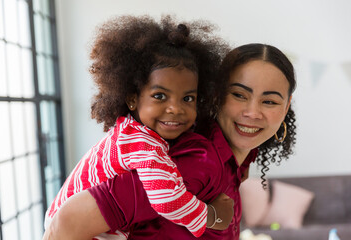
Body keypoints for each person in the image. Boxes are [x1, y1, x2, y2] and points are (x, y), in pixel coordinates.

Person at [43, 43, 297, 240]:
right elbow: (64, 223)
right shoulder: (199, 161)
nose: (252, 112)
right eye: (239, 95)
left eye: (270, 101)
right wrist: (212, 216)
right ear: (216, 95)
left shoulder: (236, 160)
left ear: (287, 106)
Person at [43, 15, 234, 239]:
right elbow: (167, 200)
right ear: (132, 99)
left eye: (188, 99)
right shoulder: (142, 143)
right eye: (160, 96)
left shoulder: (129, 131)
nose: (175, 108)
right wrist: (213, 216)